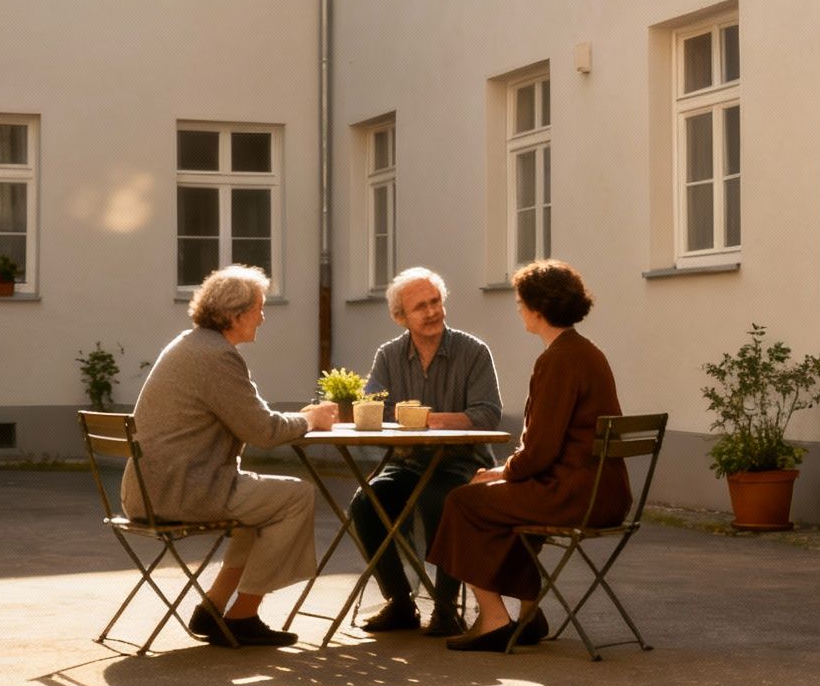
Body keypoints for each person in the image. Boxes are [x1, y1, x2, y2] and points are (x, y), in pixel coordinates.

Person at [126, 264, 339, 648]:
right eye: (258, 307)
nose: (263, 316)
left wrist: (298, 419)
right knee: (296, 497)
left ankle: (214, 606)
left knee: (258, 509)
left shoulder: (189, 345)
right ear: (234, 315)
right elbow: (263, 431)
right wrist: (310, 420)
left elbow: (250, 419)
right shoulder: (216, 357)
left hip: (149, 490)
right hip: (182, 490)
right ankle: (243, 614)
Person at [428, 259, 630, 652]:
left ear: (538, 310)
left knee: (464, 501)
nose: (518, 309)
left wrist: (503, 471)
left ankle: (493, 619)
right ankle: (528, 611)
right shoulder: (588, 353)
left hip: (574, 496)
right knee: (501, 507)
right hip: (606, 494)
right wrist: (507, 474)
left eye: (521, 302)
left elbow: (540, 451)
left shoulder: (557, 361)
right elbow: (550, 449)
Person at [350, 267, 503, 638]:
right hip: (409, 461)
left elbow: (487, 413)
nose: (432, 312)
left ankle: (447, 608)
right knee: (365, 503)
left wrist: (426, 420)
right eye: (421, 307)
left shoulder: (473, 351)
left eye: (436, 302)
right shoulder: (388, 355)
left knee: (442, 499)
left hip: (463, 463)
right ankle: (400, 601)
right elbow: (372, 405)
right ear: (401, 317)